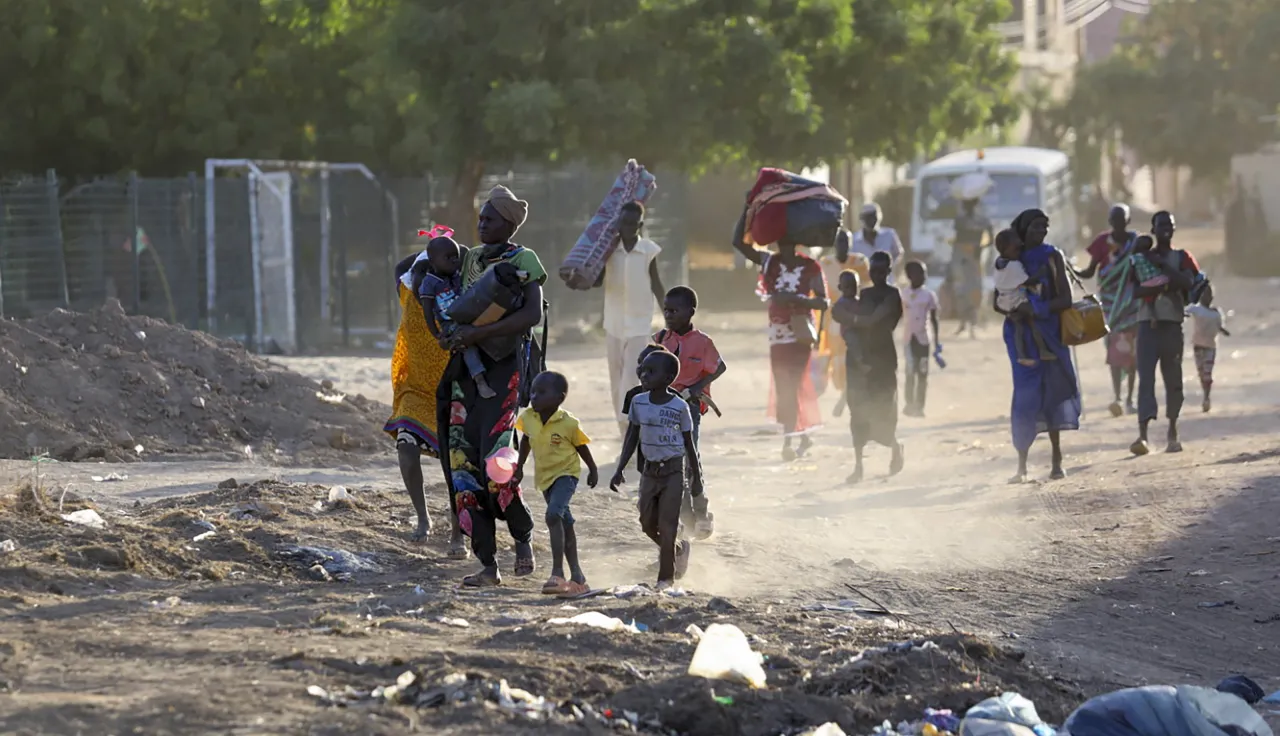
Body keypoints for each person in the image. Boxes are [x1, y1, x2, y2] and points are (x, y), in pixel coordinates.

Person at [440, 185, 547, 587]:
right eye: (480, 218)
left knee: (497, 464)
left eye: (489, 219)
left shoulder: (524, 259)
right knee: (462, 466)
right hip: (465, 373)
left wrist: (477, 334)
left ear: (508, 223)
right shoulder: (468, 258)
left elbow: (531, 315)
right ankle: (488, 563)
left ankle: (522, 537)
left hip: (504, 370)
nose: (481, 224)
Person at [384, 227, 466, 556]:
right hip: (415, 388)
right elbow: (400, 266)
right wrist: (428, 249)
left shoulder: (458, 294)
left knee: (455, 465)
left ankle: (459, 533)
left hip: (454, 387)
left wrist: (449, 248)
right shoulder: (407, 287)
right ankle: (423, 519)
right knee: (406, 448)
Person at [997, 209, 1081, 483]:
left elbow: (1065, 299)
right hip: (1021, 338)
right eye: (1035, 227)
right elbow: (997, 299)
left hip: (1050, 334)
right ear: (1023, 229)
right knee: (1025, 396)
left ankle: (1057, 460)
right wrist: (1015, 310)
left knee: (1053, 393)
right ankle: (1021, 465)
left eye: (1045, 227)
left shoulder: (1052, 255)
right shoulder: (1010, 257)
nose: (1041, 232)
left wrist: (1036, 308)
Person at [610, 350, 704, 591]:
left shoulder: (679, 406)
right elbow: (631, 436)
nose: (644, 375)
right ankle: (675, 550)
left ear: (668, 377)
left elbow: (689, 444)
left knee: (668, 523)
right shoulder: (638, 402)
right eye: (643, 370)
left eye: (651, 371)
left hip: (674, 471)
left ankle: (666, 578)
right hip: (649, 471)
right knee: (646, 522)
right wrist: (619, 468)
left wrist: (696, 479)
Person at [731, 236, 829, 461]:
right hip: (778, 332)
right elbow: (739, 243)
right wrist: (749, 206)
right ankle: (802, 434)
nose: (783, 246)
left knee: (792, 383)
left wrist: (795, 299)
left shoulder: (810, 266)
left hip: (800, 331)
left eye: (788, 240)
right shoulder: (769, 262)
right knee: (783, 384)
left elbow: (823, 302)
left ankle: (788, 440)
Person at [513, 371, 598, 598]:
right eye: (532, 391)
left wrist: (593, 468)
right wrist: (519, 467)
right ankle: (578, 577)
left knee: (553, 516)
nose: (534, 396)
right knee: (564, 522)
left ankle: (557, 573)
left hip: (566, 474)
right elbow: (526, 441)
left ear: (559, 398)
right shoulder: (528, 417)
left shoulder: (569, 422)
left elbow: (581, 446)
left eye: (541, 392)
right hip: (545, 478)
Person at [1130, 211, 1201, 456]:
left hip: (1171, 323)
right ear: (1153, 228)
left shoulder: (1181, 257)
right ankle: (1143, 435)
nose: (1166, 229)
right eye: (1161, 225)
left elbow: (1190, 283)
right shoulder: (1139, 258)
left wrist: (1161, 267)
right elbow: (1134, 291)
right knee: (1146, 380)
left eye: (1169, 225)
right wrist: (1167, 284)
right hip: (1146, 324)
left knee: (1173, 379)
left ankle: (1173, 430)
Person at [655, 285, 722, 539]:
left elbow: (719, 367)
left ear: (690, 312)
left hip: (689, 408)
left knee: (690, 458)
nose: (669, 315)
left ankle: (702, 511)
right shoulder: (661, 339)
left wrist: (694, 389)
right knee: (670, 461)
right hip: (662, 407)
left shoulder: (703, 343)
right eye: (666, 310)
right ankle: (685, 516)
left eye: (674, 310)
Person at [833, 251, 904, 483]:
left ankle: (894, 447)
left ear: (889, 271)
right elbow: (839, 312)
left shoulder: (893, 295)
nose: (878, 275)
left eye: (882, 271)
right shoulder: (864, 294)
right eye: (874, 271)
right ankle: (858, 465)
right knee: (859, 412)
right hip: (859, 359)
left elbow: (874, 318)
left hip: (883, 359)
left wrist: (853, 320)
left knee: (883, 410)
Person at [601, 201, 666, 438]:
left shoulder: (648, 250)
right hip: (614, 323)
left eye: (632, 223)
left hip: (639, 324)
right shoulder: (609, 250)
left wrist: (669, 317)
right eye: (623, 223)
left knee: (631, 375)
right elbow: (596, 280)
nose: (626, 228)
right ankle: (623, 428)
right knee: (615, 378)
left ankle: (631, 426)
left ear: (639, 225)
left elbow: (657, 284)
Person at [1077, 205, 1140, 417]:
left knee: (1132, 353)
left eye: (1121, 221)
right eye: (1114, 221)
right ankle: (1118, 397)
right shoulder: (1101, 242)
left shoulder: (1136, 242)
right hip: (1110, 305)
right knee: (1115, 350)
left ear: (1128, 221)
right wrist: (1068, 268)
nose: (1118, 225)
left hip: (1131, 303)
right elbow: (1088, 271)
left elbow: (1143, 268)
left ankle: (1130, 398)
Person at [417, 235, 497, 399]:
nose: (454, 261)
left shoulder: (457, 275)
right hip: (450, 324)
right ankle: (479, 379)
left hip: (469, 316)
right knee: (466, 344)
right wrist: (437, 335)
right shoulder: (429, 282)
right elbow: (427, 311)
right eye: (448, 257)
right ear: (433, 260)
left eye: (456, 257)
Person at [993, 229, 1056, 367]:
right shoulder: (1014, 265)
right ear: (1006, 249)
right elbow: (1028, 281)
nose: (1019, 252)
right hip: (1016, 300)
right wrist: (1041, 273)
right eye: (1016, 249)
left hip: (1003, 300)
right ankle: (1042, 349)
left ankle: (1022, 355)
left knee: (1019, 328)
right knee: (1033, 322)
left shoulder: (998, 263)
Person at [948, 198, 993, 338]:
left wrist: (981, 248)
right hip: (961, 255)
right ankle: (963, 323)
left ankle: (974, 322)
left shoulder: (982, 220)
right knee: (960, 289)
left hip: (975, 256)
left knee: (975, 289)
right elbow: (958, 237)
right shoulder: (959, 220)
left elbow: (990, 238)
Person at [900, 260, 940, 417]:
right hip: (908, 339)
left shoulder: (929, 296)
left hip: (923, 340)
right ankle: (909, 404)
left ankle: (920, 406)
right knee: (910, 372)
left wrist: (937, 342)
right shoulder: (903, 294)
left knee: (922, 373)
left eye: (925, 273)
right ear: (910, 276)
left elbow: (934, 319)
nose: (924, 277)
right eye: (921, 273)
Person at [1185, 283, 1229, 413]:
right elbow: (1184, 313)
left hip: (1210, 346)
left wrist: (1224, 331)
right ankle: (1206, 396)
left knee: (1207, 373)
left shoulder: (1216, 312)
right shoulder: (1196, 309)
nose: (1207, 297)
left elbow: (1219, 326)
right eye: (1205, 294)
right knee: (1201, 373)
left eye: (1209, 295)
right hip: (1198, 346)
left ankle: (1206, 398)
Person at [850, 203, 904, 281]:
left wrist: (889, 268)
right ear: (862, 219)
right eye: (868, 218)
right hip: (865, 284)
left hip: (887, 283)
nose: (871, 221)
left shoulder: (889, 235)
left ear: (879, 217)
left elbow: (898, 254)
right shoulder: (854, 240)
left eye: (873, 217)